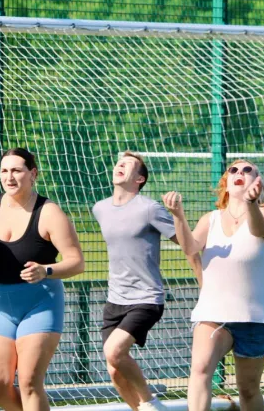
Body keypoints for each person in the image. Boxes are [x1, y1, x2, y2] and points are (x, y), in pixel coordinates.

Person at [162, 159, 264, 411]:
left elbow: (258, 230)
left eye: (248, 170)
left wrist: (250, 204)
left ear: (258, 183)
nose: (240, 173)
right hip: (214, 312)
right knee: (201, 368)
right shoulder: (210, 219)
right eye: (233, 170)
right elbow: (190, 247)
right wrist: (178, 216)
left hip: (256, 317)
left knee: (248, 390)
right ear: (225, 184)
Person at [0, 147, 85, 411]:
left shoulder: (49, 212)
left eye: (16, 170)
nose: (9, 177)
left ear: (32, 173)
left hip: (40, 304)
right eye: (4, 170)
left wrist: (46, 270)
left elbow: (77, 262)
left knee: (29, 382)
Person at [93, 151, 202, 411]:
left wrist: (204, 280)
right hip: (114, 300)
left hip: (146, 299)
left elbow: (189, 244)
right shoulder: (100, 208)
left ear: (139, 179)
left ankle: (152, 403)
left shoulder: (150, 208)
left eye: (128, 164)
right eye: (118, 162)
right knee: (114, 369)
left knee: (114, 352)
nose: (120, 165)